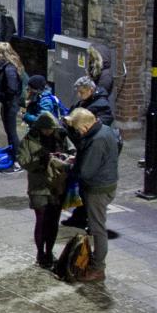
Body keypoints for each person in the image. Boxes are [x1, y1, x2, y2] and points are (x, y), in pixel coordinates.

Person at [66, 107, 120, 283]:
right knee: (97, 227)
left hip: (98, 189)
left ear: (84, 126)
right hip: (108, 183)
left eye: (77, 129)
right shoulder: (105, 129)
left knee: (98, 229)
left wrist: (70, 169)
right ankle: (96, 266)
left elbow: (87, 172)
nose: (77, 132)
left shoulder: (97, 140)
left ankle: (98, 269)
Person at [20, 111, 70, 269]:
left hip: (57, 185)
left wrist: (65, 157)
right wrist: (41, 161)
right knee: (41, 219)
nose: (49, 132)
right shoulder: (29, 140)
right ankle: (40, 253)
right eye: (46, 129)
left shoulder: (61, 136)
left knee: (53, 220)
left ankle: (49, 251)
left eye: (51, 129)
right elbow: (23, 161)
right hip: (38, 186)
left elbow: (71, 150)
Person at [0, 42, 26, 148]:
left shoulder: (9, 68)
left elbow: (12, 88)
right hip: (7, 102)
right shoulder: (4, 66)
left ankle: (17, 157)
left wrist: (0, 96)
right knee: (8, 131)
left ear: (1, 54)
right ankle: (13, 153)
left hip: (10, 103)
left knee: (11, 132)